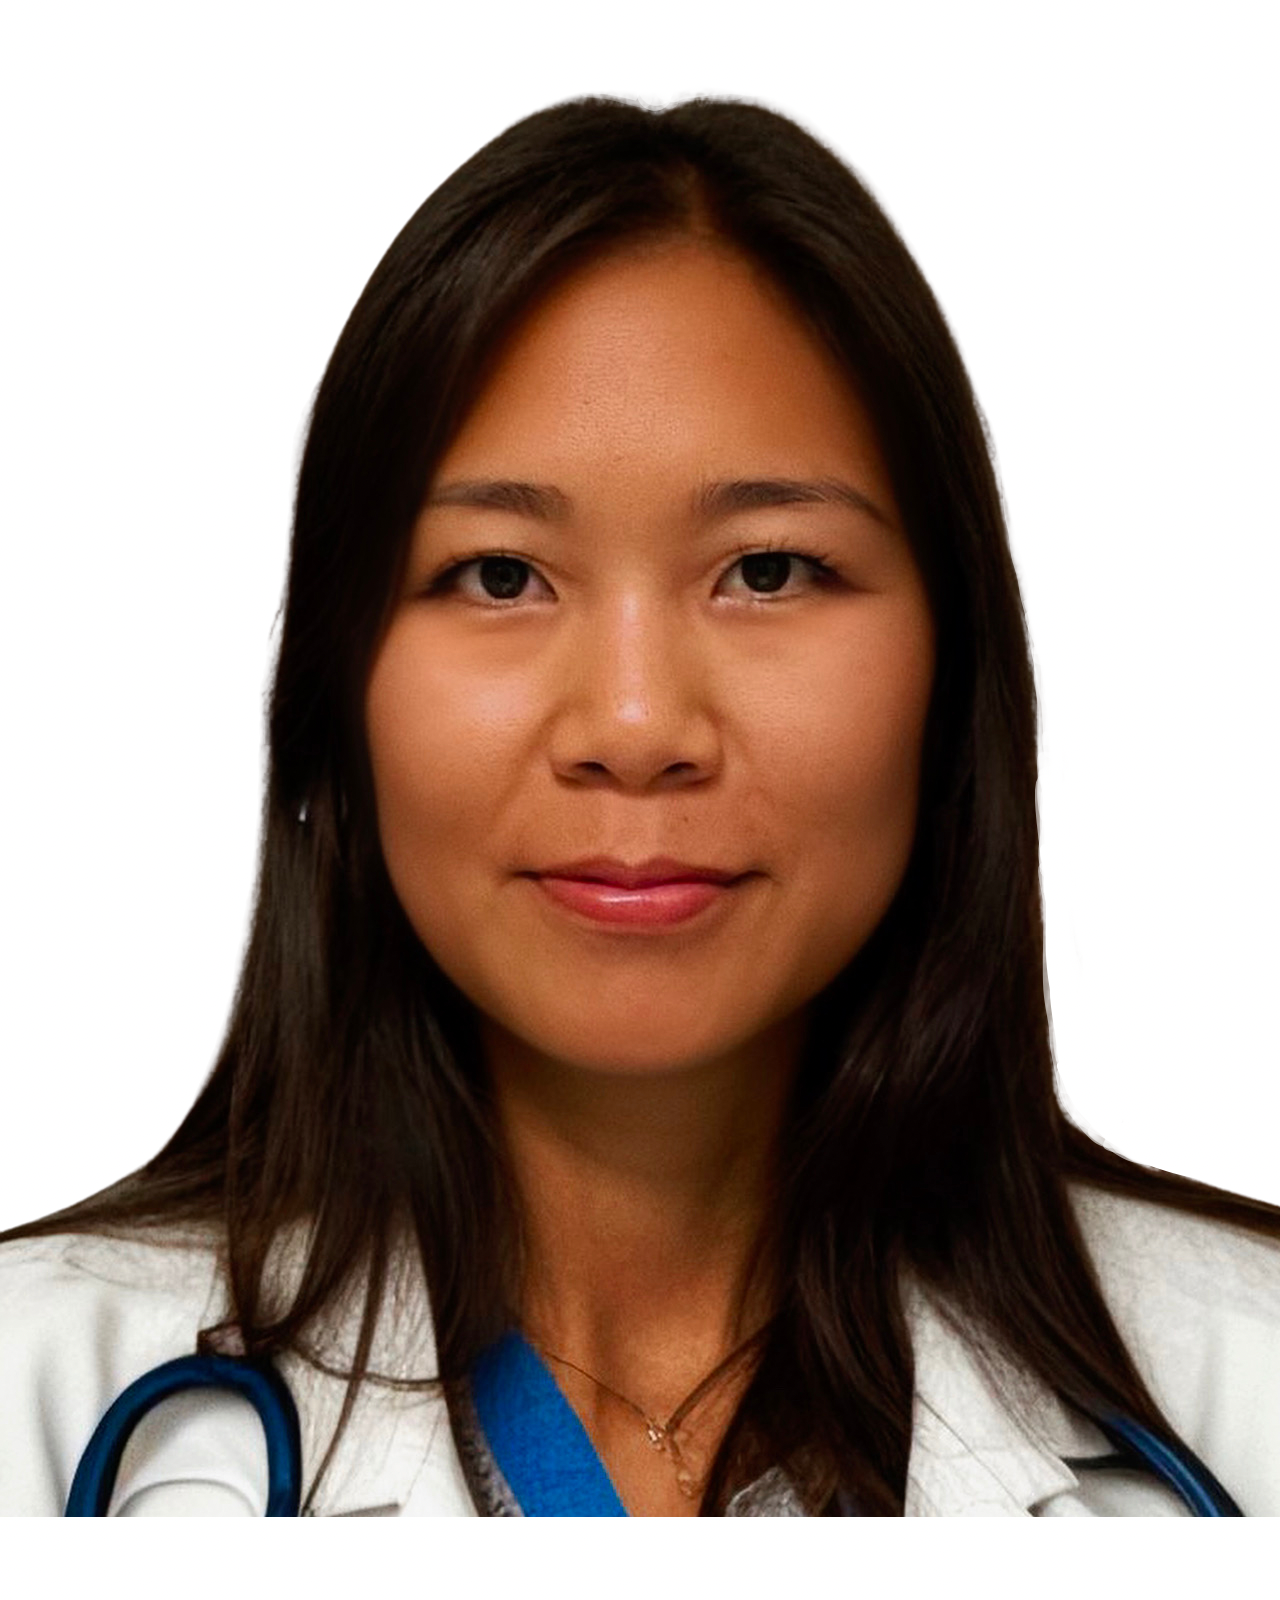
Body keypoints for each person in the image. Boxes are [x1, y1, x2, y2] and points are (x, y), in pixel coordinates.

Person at [1, 94, 1277, 1518]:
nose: (634, 727)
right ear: (335, 690)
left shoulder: (1250, 1385)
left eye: (769, 571)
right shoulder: (37, 1395)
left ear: (954, 665)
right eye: (499, 575)